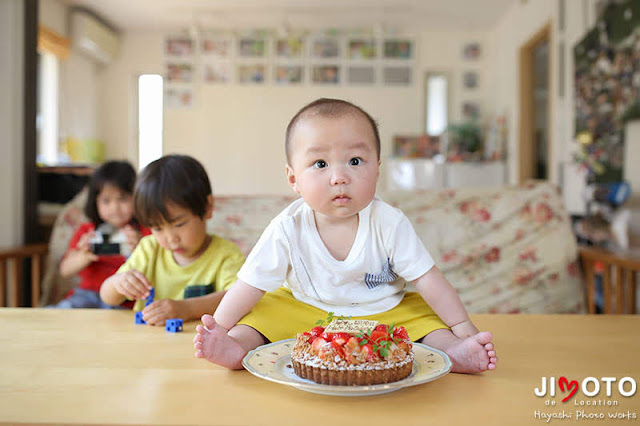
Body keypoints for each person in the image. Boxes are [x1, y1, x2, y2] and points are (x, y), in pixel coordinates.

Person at [193, 99, 498, 373]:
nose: (339, 177)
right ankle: (234, 347)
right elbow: (250, 284)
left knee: (425, 317)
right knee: (262, 315)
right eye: (320, 164)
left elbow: (429, 280)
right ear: (293, 178)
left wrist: (461, 326)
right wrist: (219, 326)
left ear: (377, 170)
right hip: (305, 308)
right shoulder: (287, 227)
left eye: (354, 161)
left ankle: (455, 352)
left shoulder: (389, 222)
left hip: (383, 311)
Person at [100, 154, 245, 325]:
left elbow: (239, 299)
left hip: (198, 347)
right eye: (158, 228)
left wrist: (187, 309)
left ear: (207, 207)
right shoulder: (149, 248)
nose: (170, 239)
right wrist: (119, 283)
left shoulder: (226, 255)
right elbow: (107, 296)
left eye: (179, 224)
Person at [54, 160, 150, 309]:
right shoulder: (88, 232)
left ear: (136, 197)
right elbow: (65, 270)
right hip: (87, 293)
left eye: (123, 199)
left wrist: (141, 247)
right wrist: (84, 254)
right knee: (66, 308)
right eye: (106, 201)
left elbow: (156, 268)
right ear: (95, 202)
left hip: (124, 299)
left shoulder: (144, 233)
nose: (115, 207)